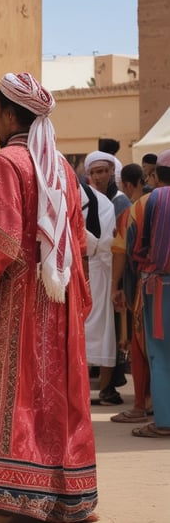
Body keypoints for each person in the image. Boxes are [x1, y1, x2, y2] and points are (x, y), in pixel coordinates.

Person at [0, 73, 97, 523]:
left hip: (18, 299)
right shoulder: (63, 171)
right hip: (60, 300)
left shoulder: (8, 163)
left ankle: (1, 495)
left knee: (12, 389)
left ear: (10, 114)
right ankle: (63, 496)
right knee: (57, 394)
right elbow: (77, 244)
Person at [130, 149, 170, 438]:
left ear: (157, 175)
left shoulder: (153, 199)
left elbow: (140, 244)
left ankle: (164, 421)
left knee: (160, 354)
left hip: (159, 288)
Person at [110, 163, 153, 423]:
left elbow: (120, 252)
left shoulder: (133, 211)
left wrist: (116, 286)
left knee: (141, 348)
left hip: (143, 287)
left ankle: (141, 404)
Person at [82, 151, 124, 405]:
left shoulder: (114, 203)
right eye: (95, 172)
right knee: (84, 328)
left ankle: (106, 388)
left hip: (105, 272)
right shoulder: (87, 198)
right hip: (86, 270)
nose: (99, 176)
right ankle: (82, 389)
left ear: (111, 173)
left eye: (103, 171)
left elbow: (112, 244)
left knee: (105, 328)